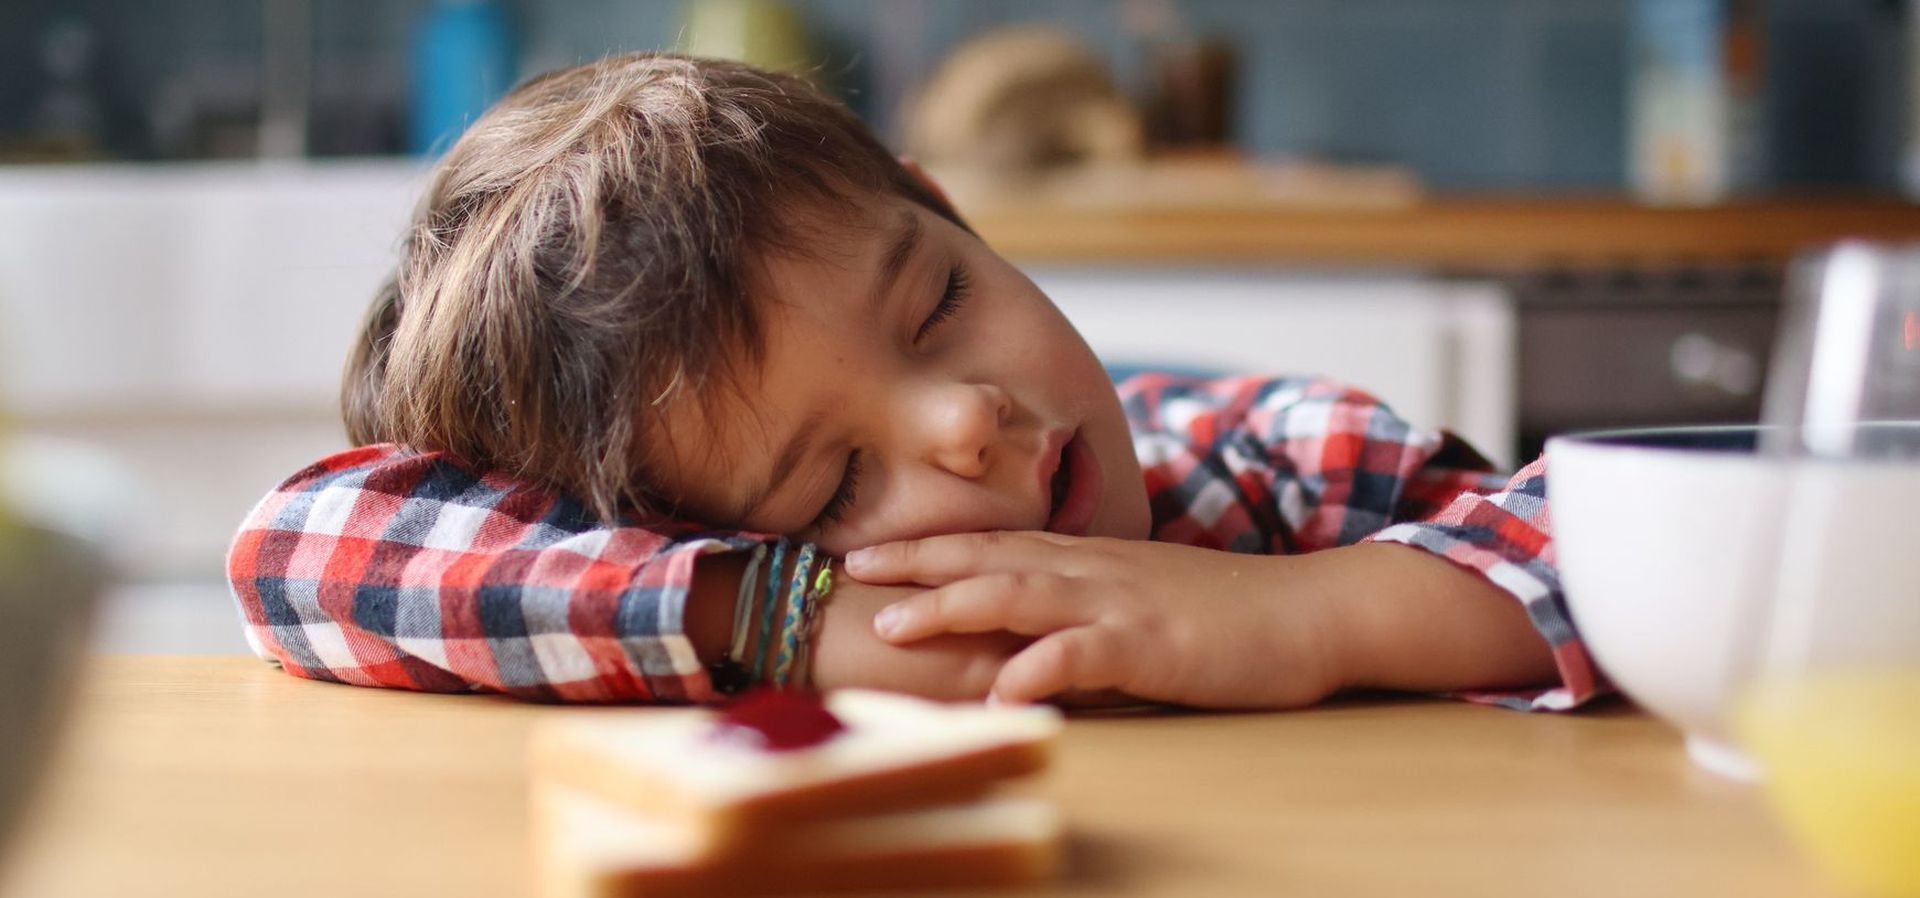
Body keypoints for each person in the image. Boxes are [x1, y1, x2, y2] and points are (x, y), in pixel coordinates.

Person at [227, 52, 1601, 712]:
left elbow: (1628, 564)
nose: (963, 420)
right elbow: (296, 550)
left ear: (954, 216)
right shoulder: (723, 620)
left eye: (939, 301)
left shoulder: (1280, 465)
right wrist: (786, 618)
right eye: (836, 482)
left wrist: (1310, 615)